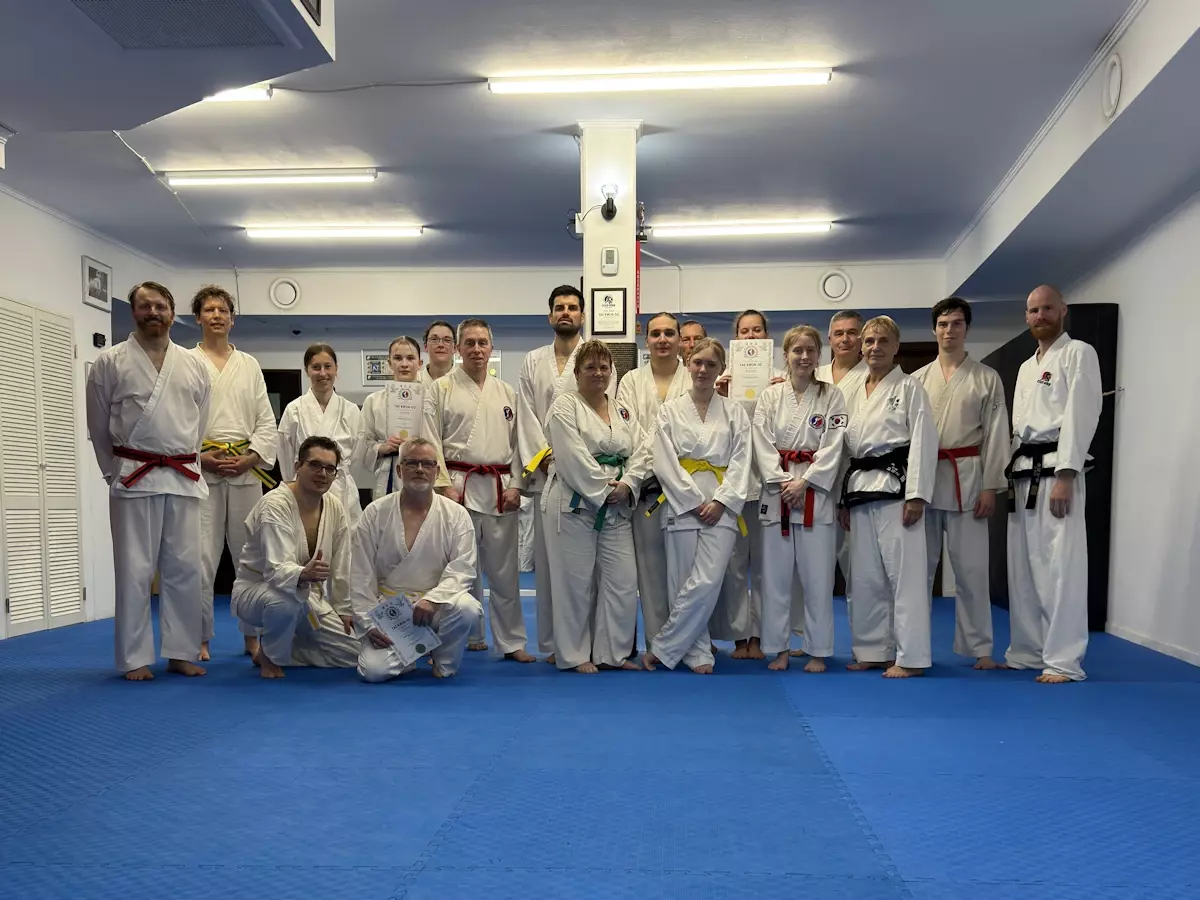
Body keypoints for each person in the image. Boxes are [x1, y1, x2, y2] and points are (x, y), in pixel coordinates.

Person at [85, 281, 210, 680]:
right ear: (133, 313)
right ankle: (134, 657)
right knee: (135, 569)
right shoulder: (110, 362)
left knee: (186, 568)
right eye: (144, 306)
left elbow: (199, 422)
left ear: (173, 313)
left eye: (160, 306)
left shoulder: (193, 364)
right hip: (134, 476)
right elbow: (98, 425)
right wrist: (114, 471)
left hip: (182, 473)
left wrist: (185, 458)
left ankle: (182, 650)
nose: (153, 312)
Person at [1006, 285, 1102, 683]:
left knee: (1061, 564)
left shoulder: (1078, 353)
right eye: (1033, 310)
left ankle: (1063, 658)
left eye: (1047, 308)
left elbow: (1082, 413)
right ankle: (1029, 649)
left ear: (1063, 310)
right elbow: (1018, 428)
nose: (1040, 316)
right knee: (1024, 566)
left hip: (1057, 472)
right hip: (1024, 470)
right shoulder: (1027, 365)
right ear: (1026, 316)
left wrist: (1067, 473)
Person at [425, 318, 532, 661]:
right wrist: (442, 486)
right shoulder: (439, 389)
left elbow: (521, 445)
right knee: (460, 570)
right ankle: (466, 636)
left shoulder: (507, 393)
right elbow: (429, 441)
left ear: (491, 348)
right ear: (458, 349)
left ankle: (512, 642)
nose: (476, 349)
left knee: (505, 574)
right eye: (468, 343)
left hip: (500, 489)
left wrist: (517, 484)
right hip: (458, 486)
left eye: (482, 343)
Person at [643, 338, 751, 674]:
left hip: (722, 503)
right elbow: (663, 461)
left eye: (711, 364)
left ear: (721, 369)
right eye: (698, 363)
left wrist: (721, 501)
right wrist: (690, 501)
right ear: (687, 364)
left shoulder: (735, 412)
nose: (703, 370)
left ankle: (663, 648)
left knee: (708, 581)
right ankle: (698, 652)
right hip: (680, 504)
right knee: (681, 582)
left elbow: (742, 460)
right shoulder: (669, 410)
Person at [913, 297, 1010, 669]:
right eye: (942, 324)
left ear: (966, 328)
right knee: (919, 570)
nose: (948, 330)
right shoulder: (918, 379)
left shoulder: (987, 378)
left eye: (955, 323)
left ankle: (980, 649)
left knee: (971, 570)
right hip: (925, 480)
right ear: (934, 329)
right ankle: (912, 647)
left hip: (968, 476)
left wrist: (990, 484)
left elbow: (998, 434)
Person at [840, 316, 938, 678]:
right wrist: (841, 498)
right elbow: (842, 450)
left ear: (896, 347)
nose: (874, 348)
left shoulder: (911, 388)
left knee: (905, 576)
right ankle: (873, 650)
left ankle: (910, 657)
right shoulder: (852, 391)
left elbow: (925, 442)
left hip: (898, 492)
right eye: (868, 342)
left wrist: (917, 495)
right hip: (861, 491)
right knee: (864, 576)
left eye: (882, 341)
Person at [516, 286, 610, 662]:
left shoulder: (599, 358)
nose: (566, 313)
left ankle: (586, 644)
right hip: (547, 473)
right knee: (550, 565)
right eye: (559, 308)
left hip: (586, 472)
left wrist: (575, 454)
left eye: (573, 307)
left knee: (589, 569)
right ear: (550, 316)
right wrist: (544, 454)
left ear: (583, 315)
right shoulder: (532, 361)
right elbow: (525, 413)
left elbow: (604, 411)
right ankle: (555, 645)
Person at [545, 340, 649, 672]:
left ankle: (613, 653)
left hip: (617, 504)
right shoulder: (564, 406)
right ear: (577, 373)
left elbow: (644, 451)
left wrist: (630, 484)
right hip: (574, 505)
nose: (598, 373)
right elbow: (570, 455)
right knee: (574, 583)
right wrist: (604, 490)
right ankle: (574, 655)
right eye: (590, 367)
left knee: (623, 580)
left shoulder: (622, 410)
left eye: (604, 367)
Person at [189, 284, 277, 661]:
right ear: (198, 318)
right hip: (203, 469)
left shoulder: (250, 364)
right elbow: (180, 419)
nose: (216, 315)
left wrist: (251, 456)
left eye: (223, 309)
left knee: (250, 557)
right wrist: (200, 454)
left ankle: (252, 635)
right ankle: (200, 636)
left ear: (232, 318)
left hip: (244, 470)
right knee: (201, 558)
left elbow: (265, 421)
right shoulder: (185, 361)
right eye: (209, 309)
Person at [753, 325, 848, 672]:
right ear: (786, 355)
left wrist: (805, 481)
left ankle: (818, 648)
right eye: (797, 350)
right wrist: (782, 481)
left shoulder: (832, 396)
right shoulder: (769, 396)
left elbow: (834, 443)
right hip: (778, 492)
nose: (804, 357)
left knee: (817, 577)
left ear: (819, 355)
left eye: (810, 350)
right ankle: (778, 648)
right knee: (775, 578)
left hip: (813, 495)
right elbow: (760, 443)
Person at [352, 437, 483, 682]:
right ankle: (411, 653)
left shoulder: (456, 514)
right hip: (390, 609)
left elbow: (463, 569)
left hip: (436, 607)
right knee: (373, 672)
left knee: (467, 608)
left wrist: (433, 599)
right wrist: (368, 622)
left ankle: (443, 660)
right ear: (400, 470)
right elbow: (360, 574)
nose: (420, 469)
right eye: (411, 463)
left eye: (427, 464)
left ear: (437, 471)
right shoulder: (375, 513)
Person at [231, 436, 358, 677]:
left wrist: (343, 609)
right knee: (286, 601)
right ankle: (270, 656)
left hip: (307, 599)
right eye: (315, 465)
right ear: (298, 466)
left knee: (357, 652)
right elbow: (276, 568)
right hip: (260, 592)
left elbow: (342, 564)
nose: (322, 473)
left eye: (330, 468)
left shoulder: (334, 506)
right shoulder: (275, 505)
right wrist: (303, 573)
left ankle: (289, 649)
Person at [714, 309, 787, 660]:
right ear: (736, 337)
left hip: (770, 483)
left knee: (766, 565)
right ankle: (740, 637)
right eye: (745, 331)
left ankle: (762, 636)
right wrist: (719, 397)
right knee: (733, 564)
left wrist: (781, 394)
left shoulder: (782, 380)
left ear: (767, 335)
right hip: (731, 484)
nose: (751, 336)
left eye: (757, 330)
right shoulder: (722, 380)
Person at [616, 312, 691, 650]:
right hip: (645, 486)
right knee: (646, 568)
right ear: (646, 340)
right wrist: (654, 458)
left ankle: (686, 640)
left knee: (686, 570)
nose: (663, 339)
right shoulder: (631, 380)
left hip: (687, 488)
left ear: (679, 339)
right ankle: (655, 641)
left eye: (669, 333)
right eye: (656, 333)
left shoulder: (695, 377)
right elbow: (628, 432)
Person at [817, 310, 870, 656]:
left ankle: (866, 643)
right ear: (829, 338)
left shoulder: (874, 377)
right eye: (839, 333)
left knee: (858, 566)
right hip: (812, 481)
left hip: (855, 479)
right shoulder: (813, 373)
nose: (846, 339)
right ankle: (809, 640)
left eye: (853, 333)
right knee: (814, 568)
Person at [278, 345, 363, 526]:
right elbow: (285, 457)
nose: (322, 373)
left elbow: (356, 455)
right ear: (307, 370)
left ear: (336, 369)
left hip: (341, 489)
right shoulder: (294, 410)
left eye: (328, 366)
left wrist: (336, 472)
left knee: (344, 546)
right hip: (304, 490)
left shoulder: (351, 410)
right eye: (316, 367)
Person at [358, 335, 425, 501]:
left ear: (420, 364)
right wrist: (382, 448)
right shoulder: (373, 401)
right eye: (397, 358)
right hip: (388, 474)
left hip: (423, 471)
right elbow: (362, 444)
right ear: (389, 364)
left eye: (410, 358)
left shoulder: (431, 400)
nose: (404, 364)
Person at [421, 320, 457, 385]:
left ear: (454, 348)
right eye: (434, 339)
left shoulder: (465, 382)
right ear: (426, 346)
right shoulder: (414, 381)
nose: (440, 345)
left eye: (447, 340)